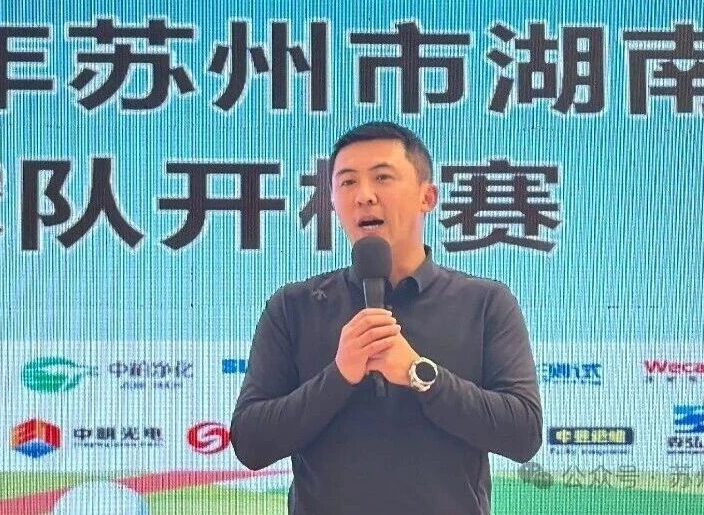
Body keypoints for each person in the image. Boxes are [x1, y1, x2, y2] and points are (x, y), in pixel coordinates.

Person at [230, 122, 542, 514]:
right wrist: (339, 376)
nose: (364, 195)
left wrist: (420, 374)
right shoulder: (293, 307)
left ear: (428, 196)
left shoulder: (485, 303)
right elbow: (251, 444)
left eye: (382, 177)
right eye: (347, 182)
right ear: (332, 201)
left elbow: (523, 434)